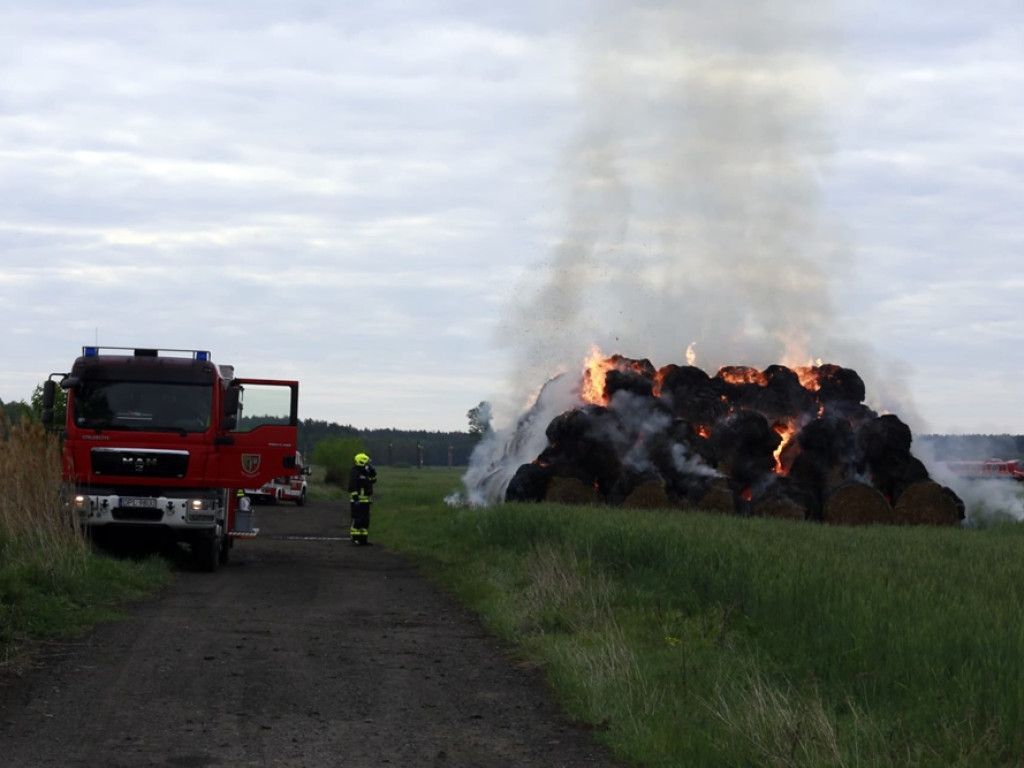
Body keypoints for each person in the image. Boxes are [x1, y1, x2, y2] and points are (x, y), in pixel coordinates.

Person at [348, 452, 377, 545]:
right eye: (366, 462)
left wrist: (372, 471)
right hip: (357, 501)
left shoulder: (366, 472)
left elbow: (374, 480)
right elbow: (352, 486)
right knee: (358, 521)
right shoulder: (355, 472)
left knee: (365, 521)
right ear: (361, 461)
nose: (368, 464)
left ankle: (363, 540)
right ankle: (355, 539)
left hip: (366, 501)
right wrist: (355, 498)